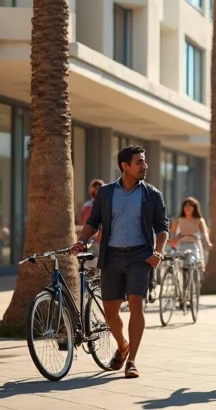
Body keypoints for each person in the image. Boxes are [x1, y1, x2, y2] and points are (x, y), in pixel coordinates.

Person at [73, 146, 169, 378]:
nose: (144, 166)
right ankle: (122, 345)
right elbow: (93, 221)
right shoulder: (106, 193)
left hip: (140, 257)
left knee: (136, 302)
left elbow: (162, 227)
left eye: (144, 162)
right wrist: (82, 240)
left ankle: (132, 360)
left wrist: (158, 253)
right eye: (139, 162)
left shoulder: (152, 194)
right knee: (110, 312)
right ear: (125, 166)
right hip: (111, 256)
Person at [170, 197, 212, 268]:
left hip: (194, 245)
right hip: (180, 245)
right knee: (179, 263)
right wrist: (173, 241)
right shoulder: (178, 220)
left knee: (194, 262)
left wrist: (207, 242)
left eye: (190, 206)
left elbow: (204, 233)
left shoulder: (199, 220)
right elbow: (172, 231)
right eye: (186, 206)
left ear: (194, 208)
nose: (187, 208)